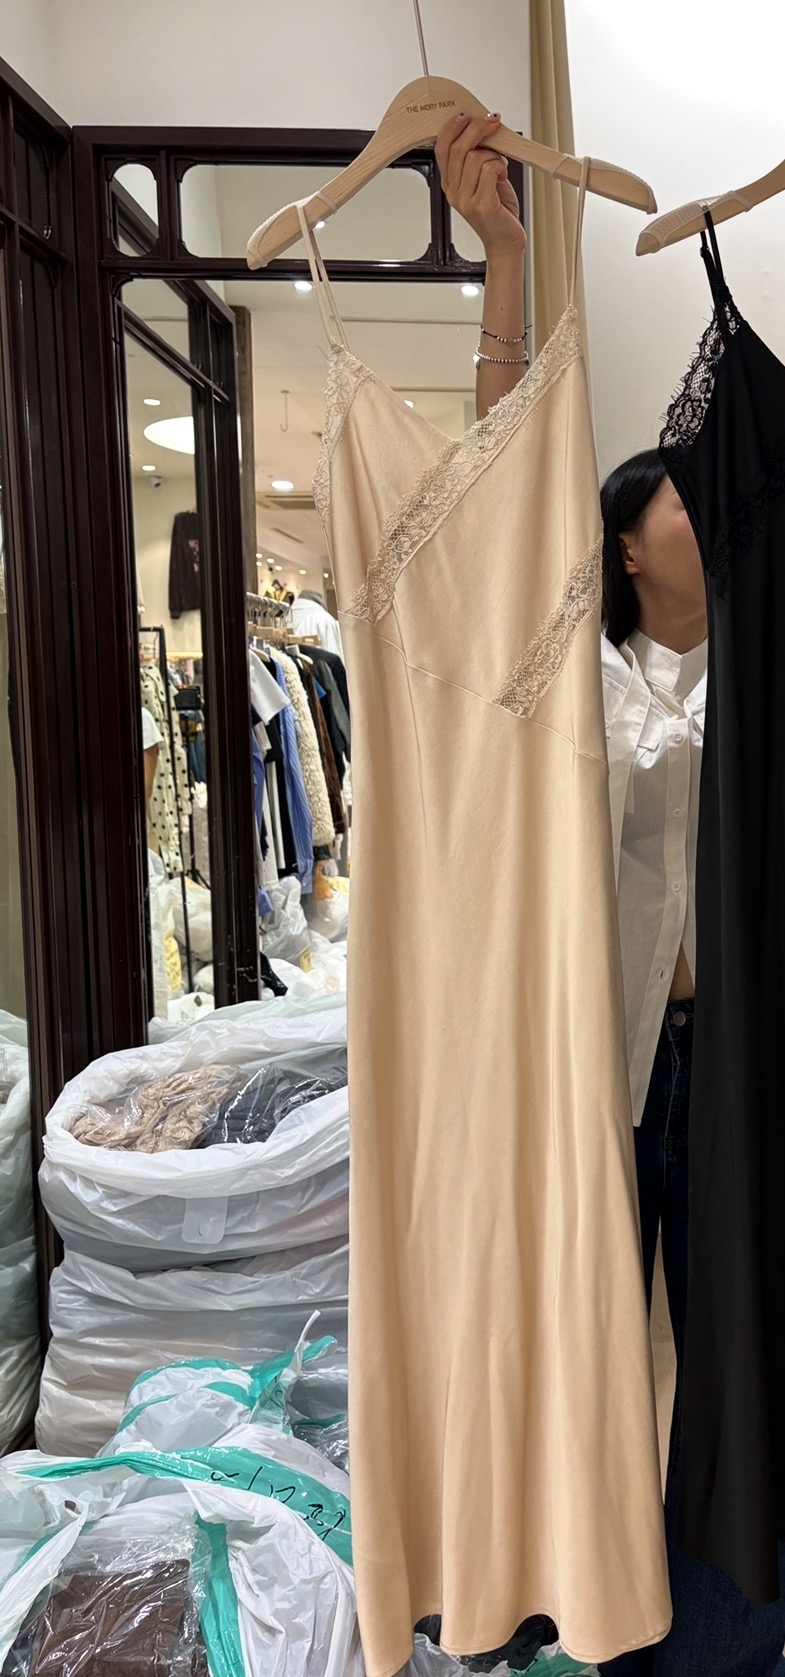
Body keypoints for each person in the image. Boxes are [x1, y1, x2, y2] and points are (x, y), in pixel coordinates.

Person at [435, 113, 785, 1675]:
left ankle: (725, 1632)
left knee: (733, 1351)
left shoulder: (757, 680)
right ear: (627, 546)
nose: (710, 513)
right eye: (680, 503)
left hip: (738, 1058)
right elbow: (492, 501)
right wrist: (505, 265)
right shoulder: (579, 683)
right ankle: (593, 1610)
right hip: (610, 1061)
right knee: (587, 1342)